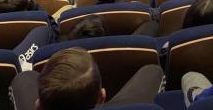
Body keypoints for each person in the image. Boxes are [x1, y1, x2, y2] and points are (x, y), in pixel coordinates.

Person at [11, 47, 163, 110]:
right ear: (102, 98)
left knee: (24, 77)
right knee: (152, 71)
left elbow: (23, 78)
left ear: (38, 106)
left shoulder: (22, 83)